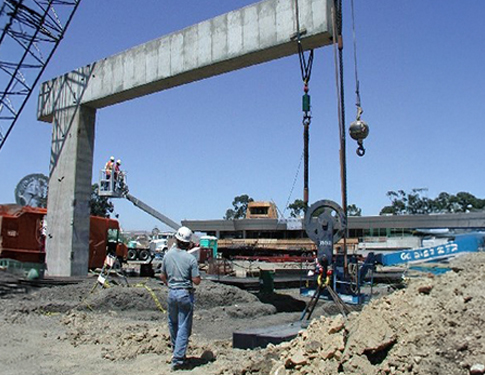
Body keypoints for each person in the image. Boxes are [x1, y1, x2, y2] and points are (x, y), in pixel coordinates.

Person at [160, 226, 201, 371]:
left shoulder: (167, 255)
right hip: (185, 294)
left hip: (172, 293)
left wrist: (171, 284)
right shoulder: (190, 259)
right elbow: (196, 280)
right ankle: (178, 359)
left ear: (176, 239)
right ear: (188, 243)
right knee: (184, 326)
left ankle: (176, 352)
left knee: (173, 323)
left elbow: (162, 276)